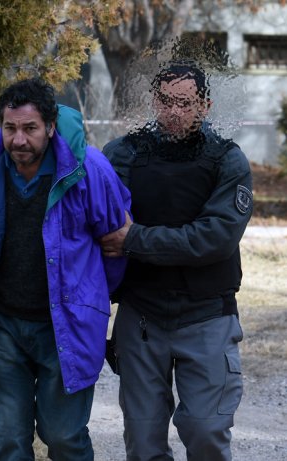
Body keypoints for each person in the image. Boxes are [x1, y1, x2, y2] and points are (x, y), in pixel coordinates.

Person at [0, 78, 131, 460]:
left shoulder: (88, 169)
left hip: (66, 321)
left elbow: (116, 242)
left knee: (64, 436)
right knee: (5, 440)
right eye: (10, 128)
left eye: (30, 128)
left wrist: (92, 297)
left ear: (50, 128)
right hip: (3, 323)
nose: (19, 140)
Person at [100, 62, 252, 461]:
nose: (174, 112)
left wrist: (134, 239)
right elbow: (95, 218)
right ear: (154, 101)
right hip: (142, 316)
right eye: (165, 101)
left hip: (206, 315)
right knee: (143, 440)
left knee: (206, 432)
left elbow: (214, 238)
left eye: (185, 103)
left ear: (205, 105)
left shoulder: (227, 160)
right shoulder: (123, 154)